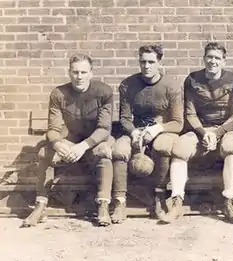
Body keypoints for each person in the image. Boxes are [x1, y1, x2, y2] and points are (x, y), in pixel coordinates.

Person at [22, 53, 115, 227]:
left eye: (83, 72)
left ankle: (103, 205)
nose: (79, 77)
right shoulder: (59, 93)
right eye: (75, 72)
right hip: (71, 141)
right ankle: (40, 205)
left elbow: (104, 129)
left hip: (94, 142)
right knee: (44, 153)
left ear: (91, 73)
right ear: (69, 72)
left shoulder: (104, 92)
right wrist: (57, 143)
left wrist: (83, 146)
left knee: (104, 152)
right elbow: (54, 128)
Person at [159, 42, 233, 224]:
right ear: (204, 58)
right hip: (200, 129)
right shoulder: (192, 79)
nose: (213, 61)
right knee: (180, 148)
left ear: (224, 61)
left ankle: (229, 201)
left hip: (224, 129)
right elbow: (190, 112)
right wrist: (203, 132)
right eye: (209, 57)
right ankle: (176, 201)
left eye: (217, 58)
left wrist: (218, 132)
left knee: (231, 147)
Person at [111, 44, 183, 222]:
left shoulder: (171, 86)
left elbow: (178, 123)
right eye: (143, 62)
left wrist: (157, 129)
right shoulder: (128, 85)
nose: (147, 66)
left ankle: (159, 196)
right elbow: (125, 118)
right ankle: (120, 202)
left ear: (159, 62)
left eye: (151, 62)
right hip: (138, 130)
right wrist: (133, 131)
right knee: (119, 150)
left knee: (162, 147)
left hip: (163, 129)